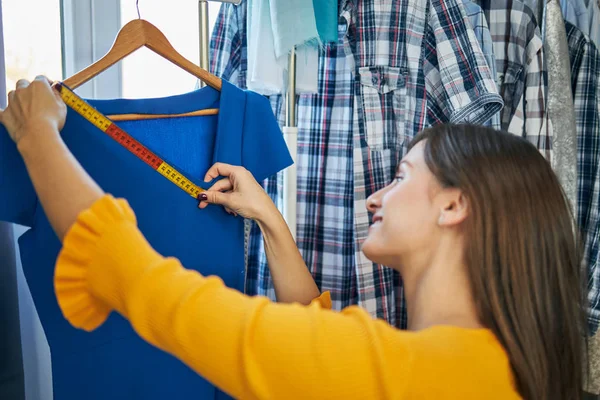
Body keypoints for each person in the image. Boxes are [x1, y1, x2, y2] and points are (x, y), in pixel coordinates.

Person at [0, 76, 587, 400]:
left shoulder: (408, 371)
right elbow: (320, 344)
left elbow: (135, 277)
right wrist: (271, 222)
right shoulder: (483, 368)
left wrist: (38, 136)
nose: (376, 197)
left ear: (455, 205)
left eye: (404, 177)